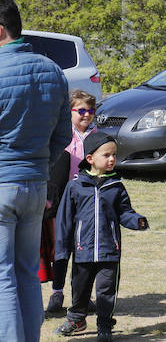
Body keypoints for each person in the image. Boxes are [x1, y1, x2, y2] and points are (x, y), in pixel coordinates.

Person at [0, 0, 70, 342]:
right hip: (35, 183)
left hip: (3, 185)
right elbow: (64, 134)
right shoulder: (52, 70)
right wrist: (41, 165)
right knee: (27, 273)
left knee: (3, 277)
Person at [53, 133, 149, 340]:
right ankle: (77, 318)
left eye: (114, 154)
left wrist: (137, 221)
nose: (112, 159)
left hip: (109, 251)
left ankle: (105, 325)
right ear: (90, 159)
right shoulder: (75, 186)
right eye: (106, 155)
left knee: (106, 292)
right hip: (83, 251)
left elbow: (125, 212)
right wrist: (62, 250)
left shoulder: (116, 186)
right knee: (79, 289)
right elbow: (65, 221)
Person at [45, 89, 100, 315]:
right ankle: (57, 294)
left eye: (91, 111)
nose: (86, 115)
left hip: (86, 200)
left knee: (83, 250)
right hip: (63, 200)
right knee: (61, 249)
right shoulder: (62, 134)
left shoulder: (97, 136)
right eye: (81, 110)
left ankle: (82, 297)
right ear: (70, 112)